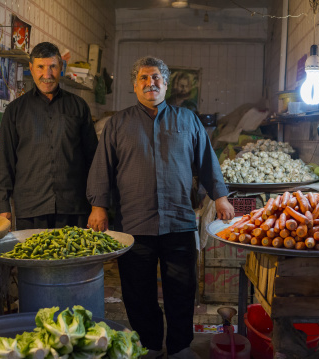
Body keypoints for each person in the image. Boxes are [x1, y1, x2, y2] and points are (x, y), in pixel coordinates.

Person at [87, 56, 234, 358]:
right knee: (137, 292)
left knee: (181, 289)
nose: (150, 83)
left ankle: (180, 347)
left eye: (156, 78)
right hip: (133, 222)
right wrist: (98, 206)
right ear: (134, 85)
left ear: (165, 84)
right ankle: (149, 345)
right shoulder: (118, 123)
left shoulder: (187, 120)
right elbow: (102, 167)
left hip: (178, 221)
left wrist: (220, 196)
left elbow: (207, 161)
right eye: (143, 78)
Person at [0, 42, 98, 230]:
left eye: (53, 67)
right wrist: (3, 205)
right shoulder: (15, 110)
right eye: (41, 67)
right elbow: (5, 161)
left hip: (73, 207)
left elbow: (93, 159)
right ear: (31, 68)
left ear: (61, 68)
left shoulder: (79, 106)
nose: (47, 75)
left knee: (72, 259)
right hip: (30, 209)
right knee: (32, 258)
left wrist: (98, 204)